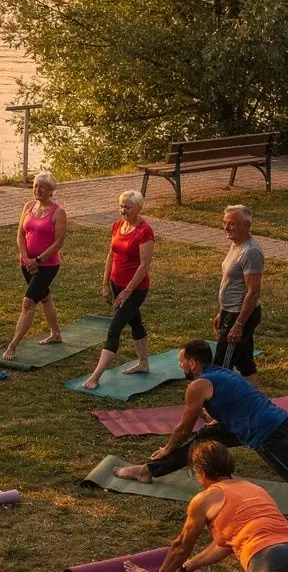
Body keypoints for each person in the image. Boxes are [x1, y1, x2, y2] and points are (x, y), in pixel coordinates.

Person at [124, 440, 288, 572]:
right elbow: (227, 543)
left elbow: (181, 547)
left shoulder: (204, 500)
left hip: (266, 561)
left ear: (199, 470)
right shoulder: (253, 488)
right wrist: (187, 568)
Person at [114, 340, 288, 483]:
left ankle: (148, 470)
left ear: (192, 363)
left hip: (267, 432)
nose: (180, 365)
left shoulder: (199, 385)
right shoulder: (221, 373)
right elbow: (229, 407)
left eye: (182, 361)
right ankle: (148, 470)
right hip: (265, 421)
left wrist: (167, 448)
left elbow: (184, 429)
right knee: (204, 437)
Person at [83, 191, 155, 390]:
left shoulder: (144, 232)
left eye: (128, 207)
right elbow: (111, 255)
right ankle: (143, 363)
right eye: (122, 206)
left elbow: (144, 265)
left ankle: (96, 375)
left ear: (140, 208)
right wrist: (106, 283)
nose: (123, 210)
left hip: (136, 288)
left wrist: (128, 291)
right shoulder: (117, 226)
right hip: (117, 284)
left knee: (114, 328)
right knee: (135, 321)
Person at [3, 172, 67, 358]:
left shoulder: (58, 212)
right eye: (35, 186)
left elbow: (58, 243)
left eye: (42, 187)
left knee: (28, 302)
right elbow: (20, 234)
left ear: (51, 191)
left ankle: (13, 345)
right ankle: (55, 334)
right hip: (27, 263)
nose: (37, 190)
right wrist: (25, 258)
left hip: (47, 266)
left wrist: (38, 260)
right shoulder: (28, 206)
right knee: (45, 298)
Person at [213, 205, 264, 384]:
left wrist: (239, 324)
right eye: (225, 223)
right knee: (245, 362)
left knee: (220, 366)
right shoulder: (236, 244)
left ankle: (215, 409)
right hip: (230, 311)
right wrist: (222, 311)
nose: (226, 228)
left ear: (246, 225)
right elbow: (231, 282)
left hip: (240, 315)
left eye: (232, 224)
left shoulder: (250, 252)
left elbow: (253, 291)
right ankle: (256, 403)